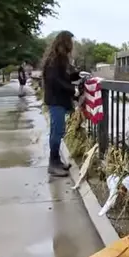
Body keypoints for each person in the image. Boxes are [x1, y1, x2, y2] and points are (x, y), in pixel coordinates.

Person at [40, 30, 80, 177]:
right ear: (65, 42)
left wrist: (77, 75)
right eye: (71, 41)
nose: (72, 45)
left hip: (57, 100)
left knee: (57, 131)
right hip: (56, 101)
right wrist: (73, 90)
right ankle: (53, 163)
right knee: (57, 132)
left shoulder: (57, 59)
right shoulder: (55, 60)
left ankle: (56, 161)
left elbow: (63, 77)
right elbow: (55, 81)